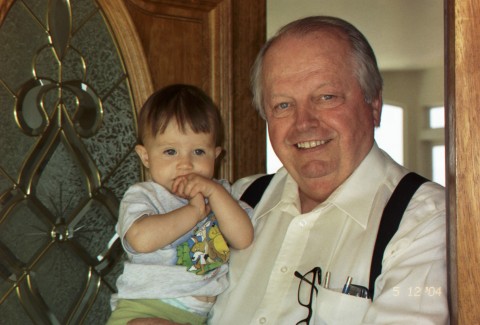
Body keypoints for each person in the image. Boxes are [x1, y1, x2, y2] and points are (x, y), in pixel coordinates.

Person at [209, 16, 448, 324]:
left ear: (374, 104)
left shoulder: (425, 222)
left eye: (326, 97)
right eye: (283, 105)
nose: (304, 123)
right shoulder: (238, 200)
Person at [107, 84, 254, 325]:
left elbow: (243, 237)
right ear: (146, 156)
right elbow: (140, 240)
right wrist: (194, 212)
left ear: (215, 155)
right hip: (145, 308)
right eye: (170, 151)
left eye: (198, 151)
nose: (185, 164)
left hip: (196, 316)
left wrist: (214, 193)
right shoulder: (144, 195)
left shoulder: (221, 196)